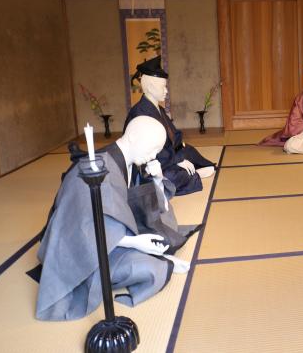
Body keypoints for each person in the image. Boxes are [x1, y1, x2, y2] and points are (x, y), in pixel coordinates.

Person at [34, 116, 199, 320]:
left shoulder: (131, 161)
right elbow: (82, 227)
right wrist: (135, 243)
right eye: (152, 149)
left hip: (116, 234)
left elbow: (151, 207)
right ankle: (157, 259)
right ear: (134, 137)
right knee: (151, 269)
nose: (153, 156)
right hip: (85, 249)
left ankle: (153, 255)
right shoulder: (97, 169)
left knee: (165, 232)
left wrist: (157, 179)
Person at [124, 56, 215, 196]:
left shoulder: (158, 109)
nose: (166, 91)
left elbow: (174, 135)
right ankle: (194, 174)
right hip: (149, 164)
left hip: (167, 155)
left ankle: (192, 169)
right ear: (150, 87)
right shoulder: (140, 113)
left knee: (188, 150)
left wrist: (180, 154)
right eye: (163, 87)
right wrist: (177, 160)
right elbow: (149, 153)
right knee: (169, 176)